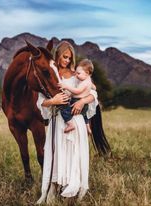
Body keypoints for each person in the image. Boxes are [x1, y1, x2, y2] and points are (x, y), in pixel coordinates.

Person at [36, 41, 99, 204]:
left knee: (73, 155)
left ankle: (71, 191)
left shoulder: (76, 75)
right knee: (58, 155)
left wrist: (82, 101)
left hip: (75, 120)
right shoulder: (50, 72)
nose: (66, 60)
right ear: (58, 55)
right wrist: (53, 101)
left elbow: (93, 93)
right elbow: (40, 101)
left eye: (69, 58)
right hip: (58, 121)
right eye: (64, 57)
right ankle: (55, 188)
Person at [58, 59, 96, 134]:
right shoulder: (89, 81)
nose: (76, 75)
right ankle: (87, 127)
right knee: (84, 115)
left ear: (87, 73)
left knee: (64, 108)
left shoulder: (84, 82)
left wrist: (66, 87)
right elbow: (94, 88)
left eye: (78, 73)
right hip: (85, 105)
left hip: (77, 101)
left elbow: (77, 91)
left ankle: (70, 124)